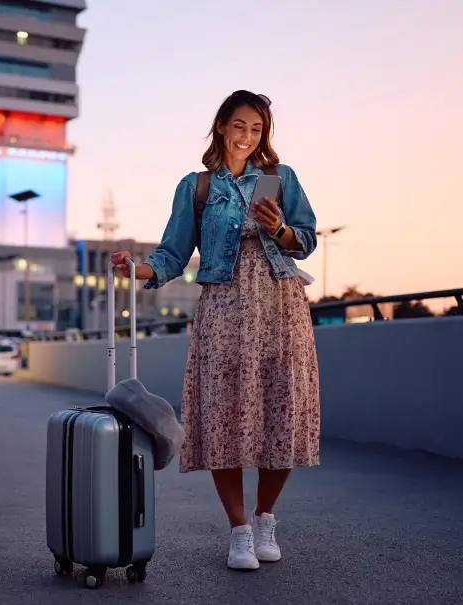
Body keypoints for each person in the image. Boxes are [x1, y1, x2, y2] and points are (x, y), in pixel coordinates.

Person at [110, 90, 320, 571]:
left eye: (257, 129)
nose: (248, 136)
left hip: (279, 303)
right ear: (222, 126)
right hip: (224, 306)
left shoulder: (278, 178)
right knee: (224, 415)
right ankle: (239, 532)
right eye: (240, 125)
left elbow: (306, 239)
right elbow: (172, 254)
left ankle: (266, 517)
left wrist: (282, 229)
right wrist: (136, 269)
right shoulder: (198, 186)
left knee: (280, 411)